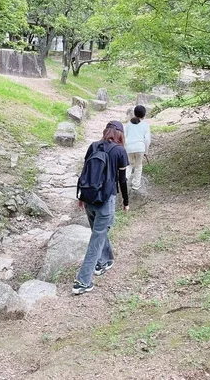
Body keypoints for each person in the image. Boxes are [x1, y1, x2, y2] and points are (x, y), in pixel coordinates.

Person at [73, 120, 130, 295]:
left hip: (89, 198)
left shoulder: (93, 146)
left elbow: (84, 171)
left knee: (99, 232)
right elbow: (122, 180)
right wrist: (126, 202)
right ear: (120, 134)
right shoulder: (120, 151)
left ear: (106, 131)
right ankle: (82, 282)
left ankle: (104, 262)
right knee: (96, 240)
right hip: (106, 201)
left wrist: (80, 196)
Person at [124, 105, 151, 190]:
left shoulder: (128, 125)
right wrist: (146, 151)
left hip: (129, 148)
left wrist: (125, 149)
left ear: (134, 113)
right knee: (138, 166)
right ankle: (136, 185)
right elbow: (147, 140)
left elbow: (124, 137)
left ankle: (124, 180)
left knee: (129, 165)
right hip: (140, 148)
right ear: (144, 115)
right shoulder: (145, 125)